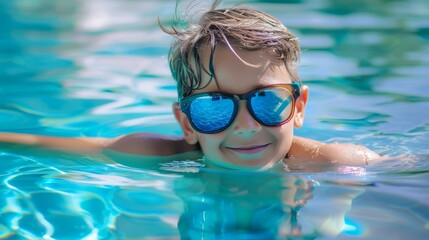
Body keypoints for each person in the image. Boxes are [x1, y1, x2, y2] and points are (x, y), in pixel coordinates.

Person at [0, 2, 380, 171]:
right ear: (185, 123)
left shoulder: (336, 164)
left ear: (298, 107)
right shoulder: (159, 155)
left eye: (266, 100)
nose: (246, 126)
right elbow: (48, 148)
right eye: (214, 107)